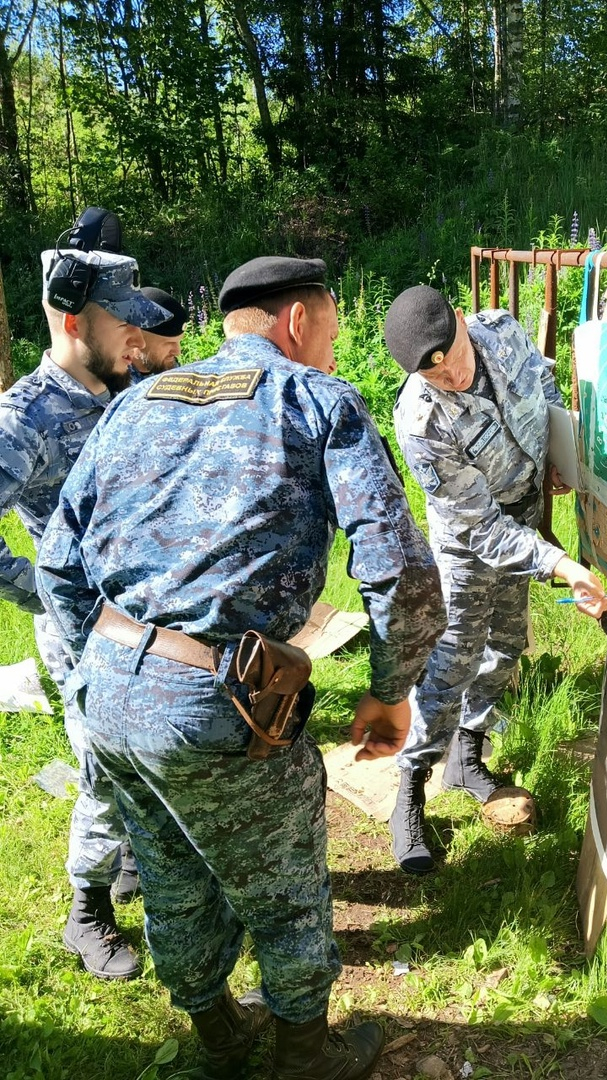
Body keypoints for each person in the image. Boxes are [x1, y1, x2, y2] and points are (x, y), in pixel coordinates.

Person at [36, 256, 446, 1080]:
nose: (333, 349)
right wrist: (389, 691)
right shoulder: (314, 399)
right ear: (297, 322)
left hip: (110, 693)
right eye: (331, 331)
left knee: (168, 869)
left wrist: (113, 668)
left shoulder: (137, 401)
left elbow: (55, 562)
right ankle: (303, 1052)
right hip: (220, 702)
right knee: (284, 882)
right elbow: (399, 569)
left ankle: (219, 1035)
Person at [383, 285, 607, 874]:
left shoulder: (502, 330)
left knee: (506, 644)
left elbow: (540, 378)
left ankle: (468, 755)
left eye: (456, 358)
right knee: (452, 659)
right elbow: (482, 529)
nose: (455, 378)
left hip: (524, 513)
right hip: (470, 541)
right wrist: (561, 564)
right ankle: (409, 790)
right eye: (437, 376)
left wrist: (556, 451)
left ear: (463, 323)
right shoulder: (419, 419)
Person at [0, 239, 170, 978]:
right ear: (72, 322)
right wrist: (46, 588)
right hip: (85, 637)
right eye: (120, 321)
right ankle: (86, 912)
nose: (137, 336)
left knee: (151, 756)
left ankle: (134, 859)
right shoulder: (24, 419)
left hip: (151, 621)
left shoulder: (126, 390)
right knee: (103, 772)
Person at [128, 287, 188, 381]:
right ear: (137, 337)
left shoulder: (172, 369)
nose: (178, 352)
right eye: (168, 343)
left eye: (179, 341)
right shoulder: (112, 381)